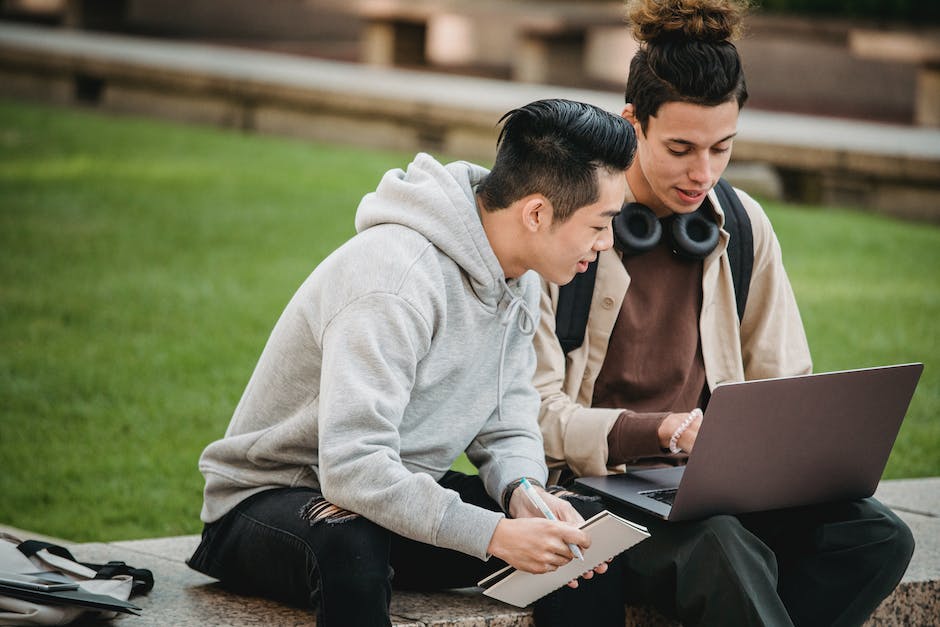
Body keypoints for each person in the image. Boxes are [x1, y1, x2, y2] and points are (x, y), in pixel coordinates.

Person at [531, 2, 915, 626]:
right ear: (632, 124)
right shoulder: (570, 226)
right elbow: (528, 416)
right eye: (681, 148)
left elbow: (782, 383)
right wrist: (659, 430)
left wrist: (781, 457)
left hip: (710, 492)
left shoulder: (741, 225)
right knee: (723, 548)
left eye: (722, 148)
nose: (703, 172)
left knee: (878, 538)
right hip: (589, 493)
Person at [187, 98, 639, 627]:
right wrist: (491, 534)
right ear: (536, 213)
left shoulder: (522, 273)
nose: (608, 243)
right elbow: (354, 468)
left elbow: (507, 417)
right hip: (269, 502)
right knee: (351, 544)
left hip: (392, 499)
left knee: (578, 532)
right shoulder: (395, 282)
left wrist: (525, 493)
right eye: (600, 224)